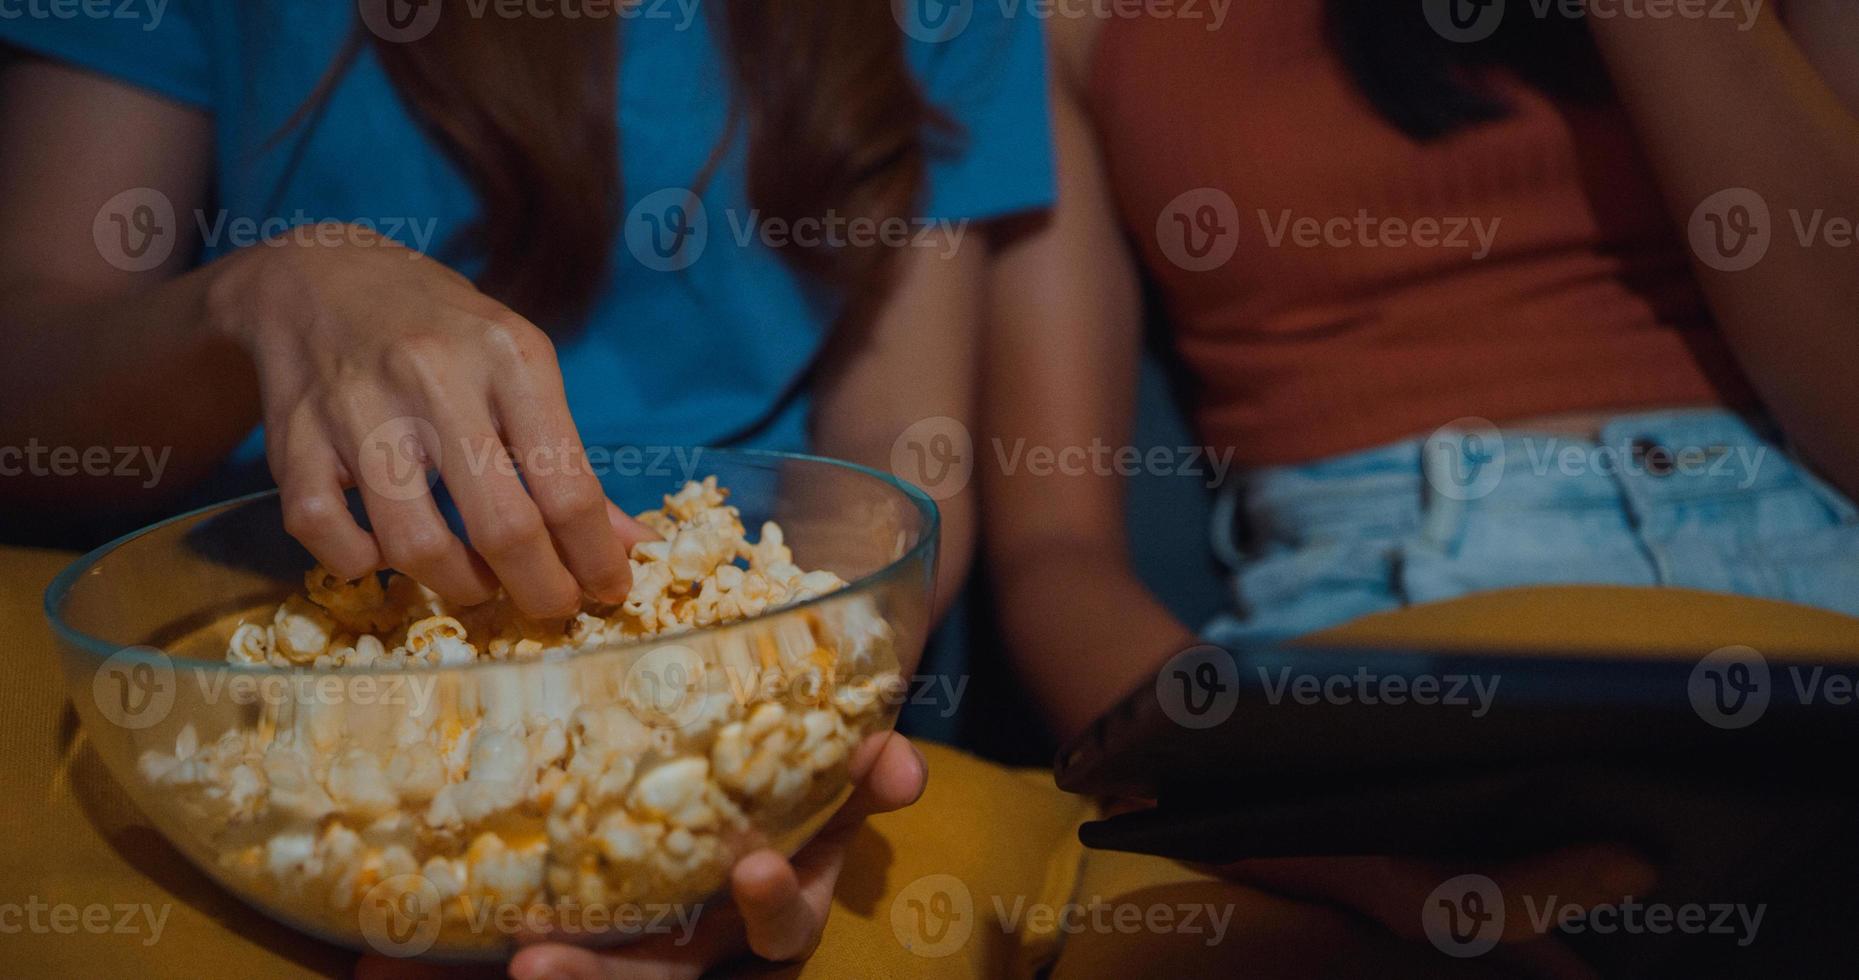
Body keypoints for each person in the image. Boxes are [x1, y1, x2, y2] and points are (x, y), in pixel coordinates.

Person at [0, 3, 1051, 975]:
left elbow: (891, 453)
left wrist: (774, 729)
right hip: (255, 662)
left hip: (733, 599)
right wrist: (259, 293)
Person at [986, 0, 1859, 963]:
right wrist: (1287, 820)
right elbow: (1051, 548)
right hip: (1378, 644)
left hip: (1808, 569)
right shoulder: (1062, 23)